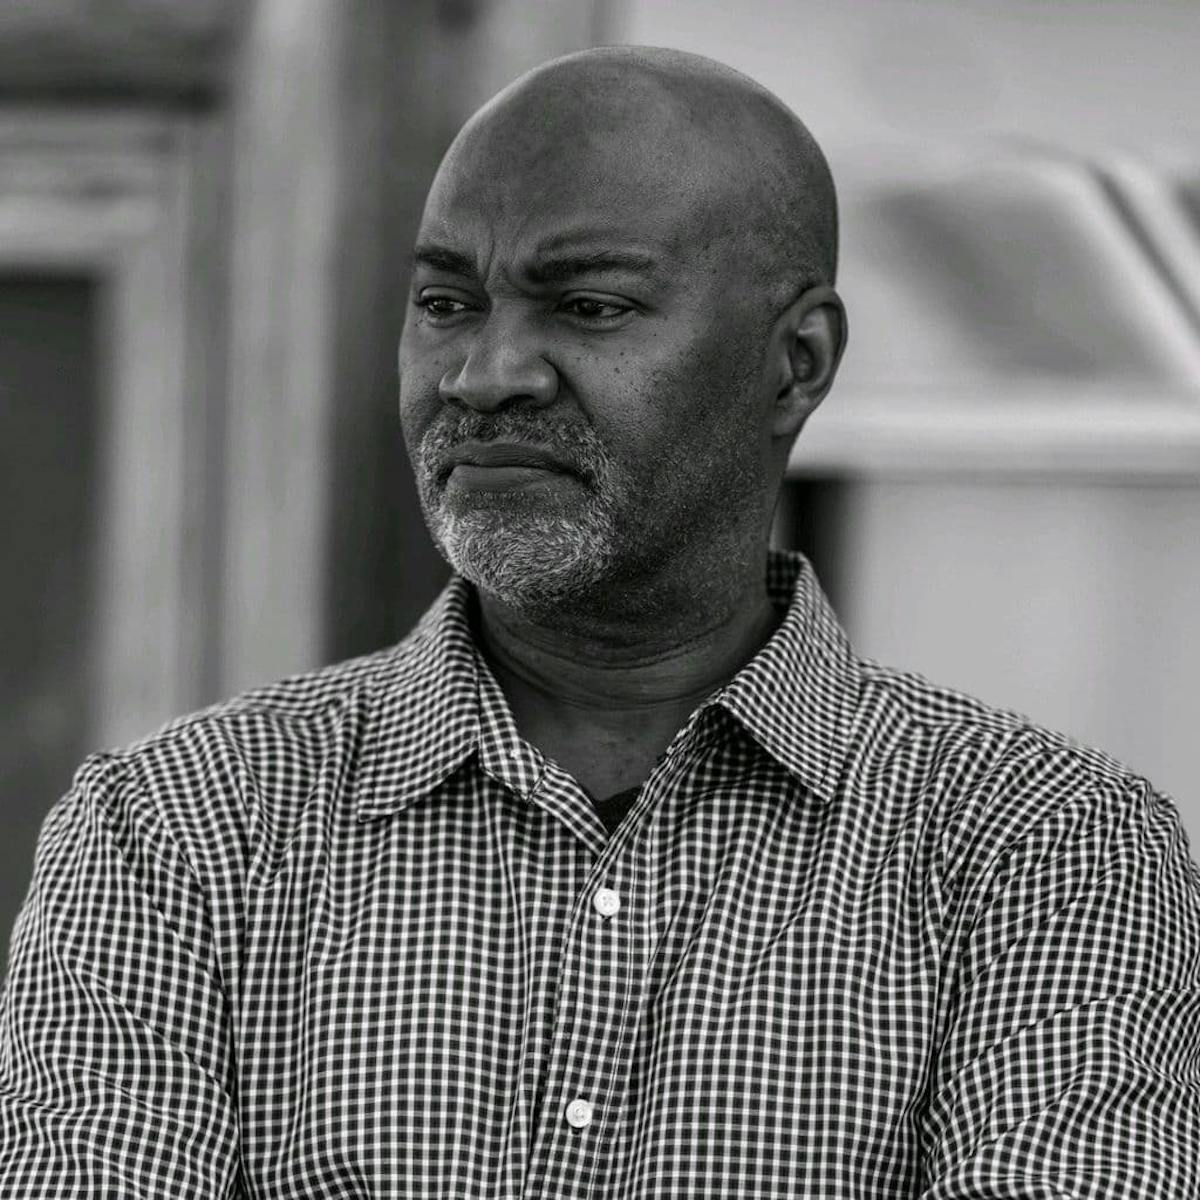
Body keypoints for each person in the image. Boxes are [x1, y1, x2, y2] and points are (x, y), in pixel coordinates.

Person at [1, 44, 1197, 1199]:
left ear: (797, 362)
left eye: (587, 305)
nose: (485, 374)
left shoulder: (1044, 851)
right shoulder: (179, 831)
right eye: (445, 302)